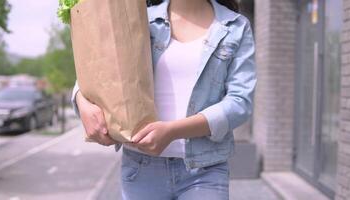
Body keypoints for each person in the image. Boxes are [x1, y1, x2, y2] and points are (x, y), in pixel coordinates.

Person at [71, 0, 256, 199]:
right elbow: (97, 72)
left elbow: (239, 103)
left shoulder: (235, 26)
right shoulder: (138, 17)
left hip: (205, 170)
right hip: (141, 168)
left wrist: (172, 131)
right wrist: (81, 101)